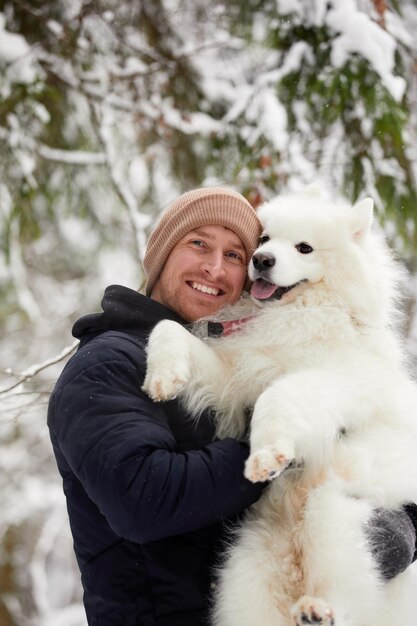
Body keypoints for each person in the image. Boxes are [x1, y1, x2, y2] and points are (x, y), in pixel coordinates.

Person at [48, 186, 417, 626]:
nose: (214, 267)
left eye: (236, 255)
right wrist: (281, 446)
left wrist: (405, 526)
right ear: (162, 253)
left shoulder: (231, 342)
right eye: (198, 243)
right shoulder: (107, 363)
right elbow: (143, 501)